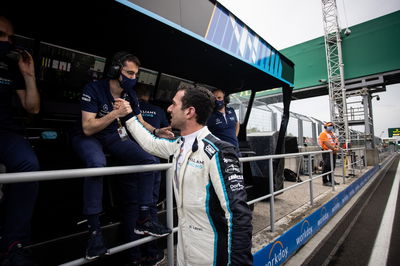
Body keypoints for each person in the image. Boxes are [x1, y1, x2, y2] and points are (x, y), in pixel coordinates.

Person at [124, 86, 253, 265]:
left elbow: (238, 213)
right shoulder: (179, 144)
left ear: (189, 112)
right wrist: (128, 115)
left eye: (174, 104)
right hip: (185, 247)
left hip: (211, 251)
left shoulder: (218, 151)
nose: (169, 109)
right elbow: (150, 143)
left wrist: (240, 262)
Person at [70, 51, 172, 263]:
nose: (133, 78)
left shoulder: (130, 94)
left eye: (136, 75)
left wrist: (156, 132)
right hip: (89, 137)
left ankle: (143, 218)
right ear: (116, 70)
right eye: (129, 73)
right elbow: (88, 128)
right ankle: (95, 234)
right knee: (97, 164)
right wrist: (115, 114)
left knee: (150, 161)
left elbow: (140, 121)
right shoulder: (93, 89)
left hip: (112, 137)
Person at [0, 16, 40, 266]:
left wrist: (28, 75)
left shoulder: (9, 66)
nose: (6, 41)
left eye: (9, 37)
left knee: (29, 165)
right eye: (1, 35)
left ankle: (14, 245)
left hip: (6, 132)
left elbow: (32, 107)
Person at [135, 84, 169, 265]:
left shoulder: (131, 108)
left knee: (133, 207)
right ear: (149, 95)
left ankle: (135, 255)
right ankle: (152, 252)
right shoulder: (157, 110)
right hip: (153, 164)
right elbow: (166, 133)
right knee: (150, 207)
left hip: (131, 163)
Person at [318, 122, 340, 186]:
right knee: (326, 166)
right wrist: (334, 149)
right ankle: (325, 181)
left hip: (333, 152)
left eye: (332, 126)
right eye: (329, 126)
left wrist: (337, 148)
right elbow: (327, 143)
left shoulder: (333, 134)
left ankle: (331, 180)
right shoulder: (323, 134)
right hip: (327, 152)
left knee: (332, 166)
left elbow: (337, 142)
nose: (331, 127)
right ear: (325, 127)